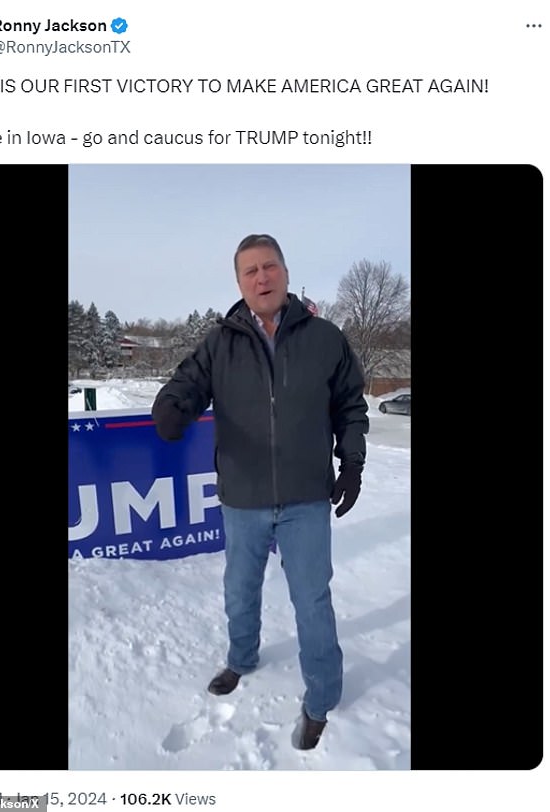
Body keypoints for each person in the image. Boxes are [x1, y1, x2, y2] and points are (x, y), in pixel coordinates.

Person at [152, 234, 369, 750]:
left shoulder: (324, 338)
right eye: (249, 271)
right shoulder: (219, 343)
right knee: (239, 590)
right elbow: (187, 383)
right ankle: (241, 658)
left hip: (305, 497)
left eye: (269, 266)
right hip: (243, 497)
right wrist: (171, 404)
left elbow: (351, 405)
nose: (261, 277)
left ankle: (321, 698)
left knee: (313, 601)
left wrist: (353, 462)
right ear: (239, 283)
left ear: (286, 272)